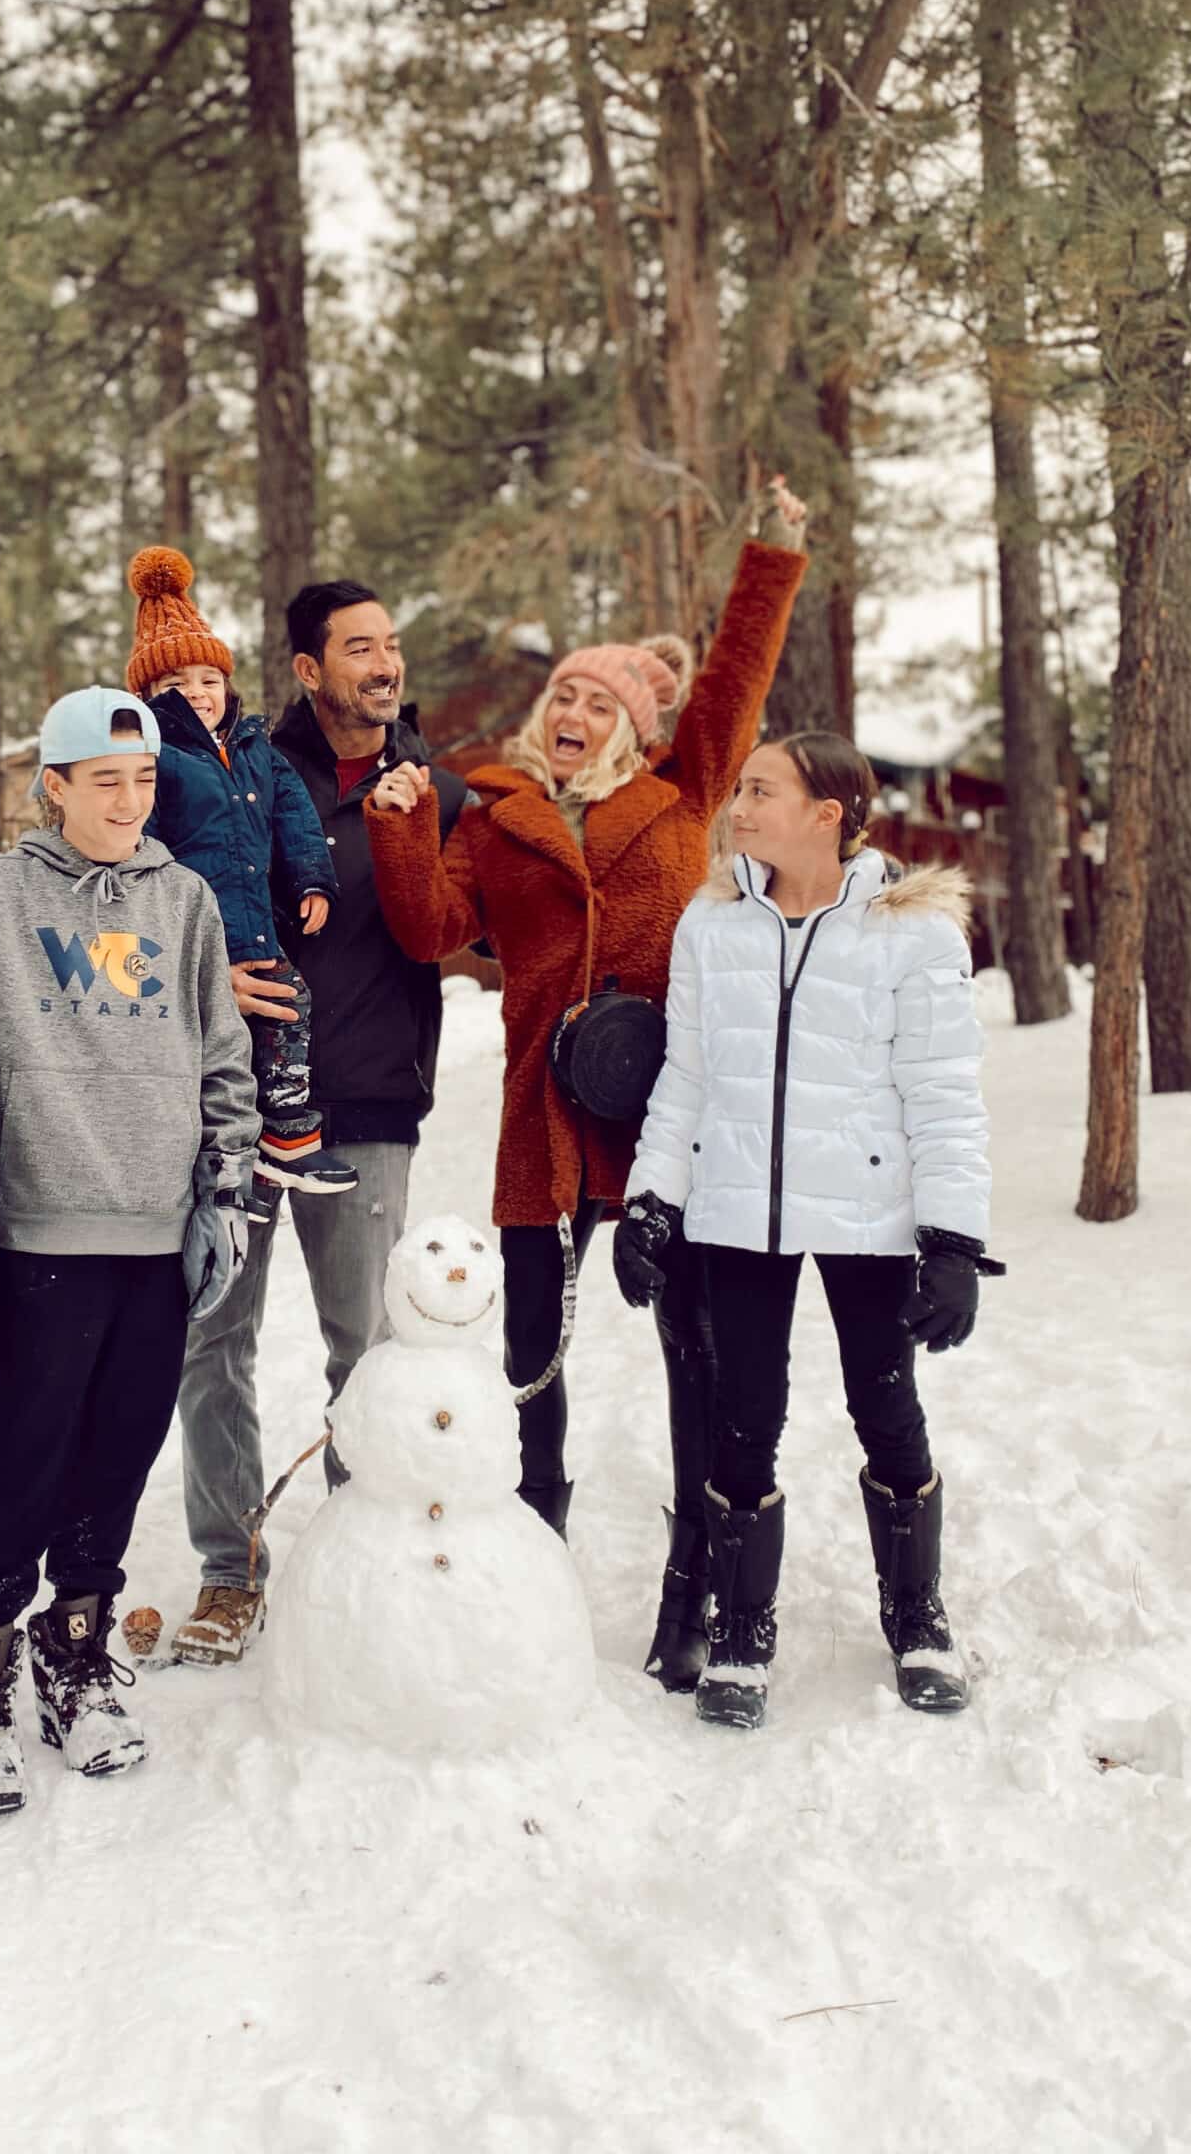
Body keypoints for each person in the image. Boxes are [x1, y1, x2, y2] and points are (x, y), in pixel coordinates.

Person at [364, 486, 808, 1685]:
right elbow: (430, 930)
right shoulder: (499, 816)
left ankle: (696, 1585)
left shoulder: (685, 788)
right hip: (543, 1109)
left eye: (596, 698)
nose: (571, 708)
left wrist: (772, 553)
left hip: (669, 1108)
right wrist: (403, 829)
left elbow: (731, 681)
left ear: (630, 722)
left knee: (696, 1353)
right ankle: (535, 1563)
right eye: (562, 691)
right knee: (531, 1357)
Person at [615, 733, 999, 1731]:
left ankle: (916, 1614)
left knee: (887, 1406)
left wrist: (951, 1242)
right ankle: (742, 1629)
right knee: (744, 1414)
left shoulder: (910, 933)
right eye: (739, 787)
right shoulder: (715, 922)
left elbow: (945, 1097)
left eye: (761, 790)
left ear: (827, 813)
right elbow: (688, 1078)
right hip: (740, 1208)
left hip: (869, 1212)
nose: (738, 805)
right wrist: (652, 1200)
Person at [0, 687, 262, 1800]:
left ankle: (75, 1653)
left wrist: (222, 1190)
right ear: (53, 784)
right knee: (25, 1458)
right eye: (104, 779)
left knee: (120, 1452)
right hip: (42, 1229)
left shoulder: (187, 901)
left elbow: (223, 1053)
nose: (129, 800)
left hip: (159, 1231)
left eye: (144, 779)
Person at [169, 578, 471, 1665]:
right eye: (359, 649)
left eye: (392, 645)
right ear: (308, 670)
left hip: (371, 1102)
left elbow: (469, 922)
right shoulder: (242, 772)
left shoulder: (437, 788)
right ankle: (227, 1566)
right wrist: (207, 988)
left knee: (369, 1349)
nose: (384, 665)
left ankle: (362, 1552)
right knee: (215, 1343)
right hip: (234, 1107)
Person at [124, 544, 356, 1215]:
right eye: (175, 686)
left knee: (286, 1012)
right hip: (197, 938)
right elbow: (145, 846)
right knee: (217, 1055)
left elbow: (296, 819)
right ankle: (238, 1163)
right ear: (146, 699)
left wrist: (313, 881)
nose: (196, 693)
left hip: (259, 926)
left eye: (207, 678)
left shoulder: (259, 750)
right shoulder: (156, 759)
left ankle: (283, 1139)